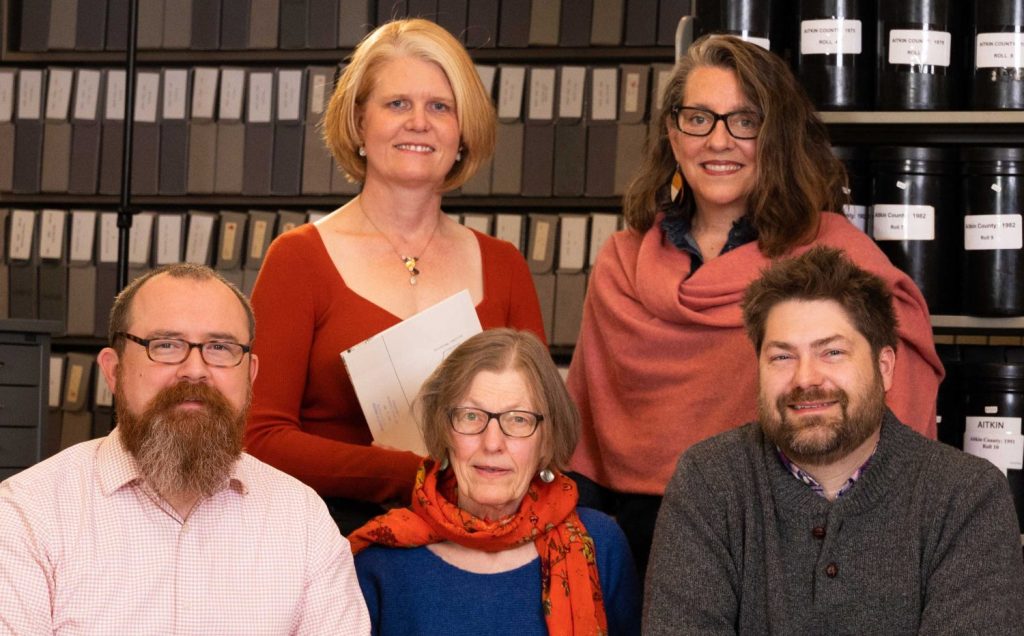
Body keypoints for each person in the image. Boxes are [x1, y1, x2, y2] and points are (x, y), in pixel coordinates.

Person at [566, 34, 944, 575]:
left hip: (789, 544)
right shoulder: (620, 265)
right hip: (635, 550)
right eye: (699, 118)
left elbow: (895, 414)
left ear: (776, 138)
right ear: (673, 134)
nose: (719, 141)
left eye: (745, 121)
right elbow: (584, 448)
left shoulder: (836, 257)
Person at [245, 18, 545, 533]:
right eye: (397, 104)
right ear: (360, 122)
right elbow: (259, 436)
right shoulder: (297, 260)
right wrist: (408, 473)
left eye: (440, 107)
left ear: (462, 133)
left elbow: (542, 428)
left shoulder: (505, 266)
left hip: (477, 539)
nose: (419, 123)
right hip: (330, 539)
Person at [644, 247, 1024, 634]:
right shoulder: (708, 482)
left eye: (833, 352)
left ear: (885, 367)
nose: (806, 378)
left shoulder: (966, 496)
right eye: (782, 357)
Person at [0, 264, 370, 634]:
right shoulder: (29, 515)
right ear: (114, 371)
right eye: (166, 345)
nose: (195, 370)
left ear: (250, 375)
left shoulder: (302, 520)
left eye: (221, 348)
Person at [349, 329, 641, 635]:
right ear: (444, 430)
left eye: (518, 419)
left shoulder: (599, 544)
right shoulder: (381, 559)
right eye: (471, 416)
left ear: (547, 440)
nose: (492, 443)